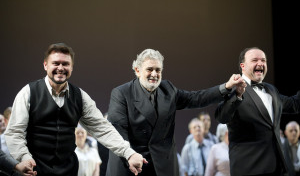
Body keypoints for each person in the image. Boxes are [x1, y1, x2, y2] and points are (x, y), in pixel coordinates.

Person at [4, 43, 146, 176]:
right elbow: (15, 132)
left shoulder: (80, 96)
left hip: (68, 170)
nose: (60, 67)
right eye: (56, 63)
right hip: (34, 170)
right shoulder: (28, 92)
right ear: (45, 65)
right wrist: (25, 157)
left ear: (72, 68)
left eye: (65, 64)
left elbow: (102, 128)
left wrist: (129, 153)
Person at [106, 49, 243, 176]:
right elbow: (118, 130)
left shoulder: (168, 89)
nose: (154, 74)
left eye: (158, 70)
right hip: (132, 165)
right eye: (149, 69)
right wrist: (129, 155)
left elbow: (196, 98)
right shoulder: (121, 93)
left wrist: (226, 87)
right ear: (137, 70)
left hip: (163, 167)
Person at [215, 47, 300, 176]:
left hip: (277, 168)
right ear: (242, 66)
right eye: (255, 60)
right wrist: (237, 94)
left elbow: (294, 104)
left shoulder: (271, 90)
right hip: (249, 169)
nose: (260, 63)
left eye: (263, 60)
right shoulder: (234, 89)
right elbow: (222, 116)